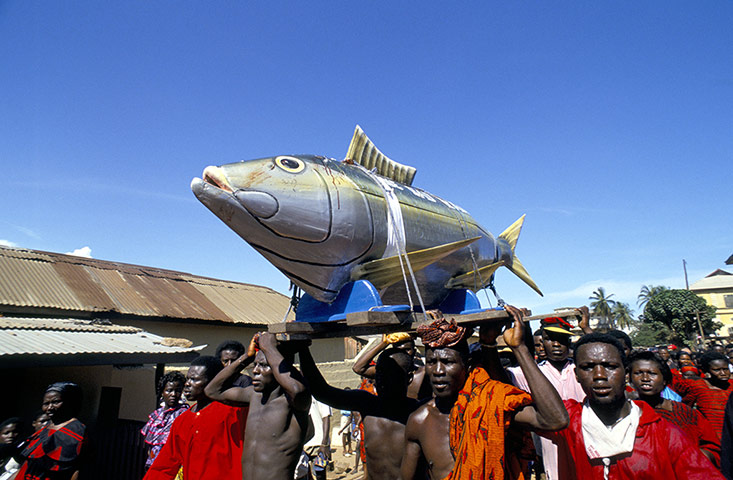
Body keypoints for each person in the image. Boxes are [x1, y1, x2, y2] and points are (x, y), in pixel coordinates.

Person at [402, 306, 569, 480]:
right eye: (431, 362)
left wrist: (519, 348)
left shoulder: (490, 403)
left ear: (466, 366)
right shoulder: (419, 421)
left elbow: (555, 420)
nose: (438, 370)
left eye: (447, 362)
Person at [539, 333, 723, 479]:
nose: (599, 375)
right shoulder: (567, 422)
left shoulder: (664, 433)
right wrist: (520, 348)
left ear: (625, 372)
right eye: (587, 367)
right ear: (576, 375)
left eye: (610, 366)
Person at [299, 339, 421, 480]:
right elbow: (322, 392)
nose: (382, 379)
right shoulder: (368, 404)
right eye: (379, 372)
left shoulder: (419, 412)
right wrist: (303, 349)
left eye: (391, 373)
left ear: (409, 378)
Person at [205, 332, 311, 480]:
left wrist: (269, 347)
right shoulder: (254, 396)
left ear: (280, 370)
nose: (255, 371)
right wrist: (247, 357)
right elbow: (212, 390)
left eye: (264, 366)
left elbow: (297, 390)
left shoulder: (293, 403)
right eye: (255, 365)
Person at [508, 309, 585, 480]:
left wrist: (586, 329)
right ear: (543, 343)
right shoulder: (532, 373)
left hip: (586, 447)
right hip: (551, 451)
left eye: (562, 339)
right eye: (550, 339)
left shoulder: (581, 371)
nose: (556, 344)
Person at [143, 356, 246, 480]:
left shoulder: (234, 411)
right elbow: (164, 466)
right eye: (187, 379)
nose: (187, 384)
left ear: (213, 381)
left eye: (194, 379)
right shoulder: (182, 420)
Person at [628, 350, 720, 466]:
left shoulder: (686, 413)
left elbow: (712, 447)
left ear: (665, 380)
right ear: (630, 380)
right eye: (638, 373)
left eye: (652, 373)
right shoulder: (627, 413)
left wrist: (695, 456)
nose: (645, 378)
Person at [14, 382, 85, 480]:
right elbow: (28, 465)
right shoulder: (47, 427)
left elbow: (75, 470)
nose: (50, 407)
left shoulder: (76, 431)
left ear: (69, 403)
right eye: (46, 403)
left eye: (56, 402)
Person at [670, 351, 733, 439]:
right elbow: (686, 408)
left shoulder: (731, 386)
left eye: (725, 369)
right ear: (707, 370)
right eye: (717, 370)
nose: (723, 373)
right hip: (712, 437)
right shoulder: (697, 386)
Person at [352, 332, 432, 401]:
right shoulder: (387, 372)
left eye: (407, 350)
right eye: (398, 350)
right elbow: (358, 368)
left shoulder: (424, 373)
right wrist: (383, 343)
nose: (403, 353)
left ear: (414, 351)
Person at [140, 371, 189, 470]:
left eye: (178, 390)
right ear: (162, 392)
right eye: (169, 390)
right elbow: (150, 445)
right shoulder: (156, 416)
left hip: (172, 466)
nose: (173, 394)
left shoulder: (184, 413)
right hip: (153, 464)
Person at [295, 398, 332, 480]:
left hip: (318, 444)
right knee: (303, 473)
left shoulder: (320, 395)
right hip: (303, 444)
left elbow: (326, 417)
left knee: (319, 473)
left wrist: (324, 443)